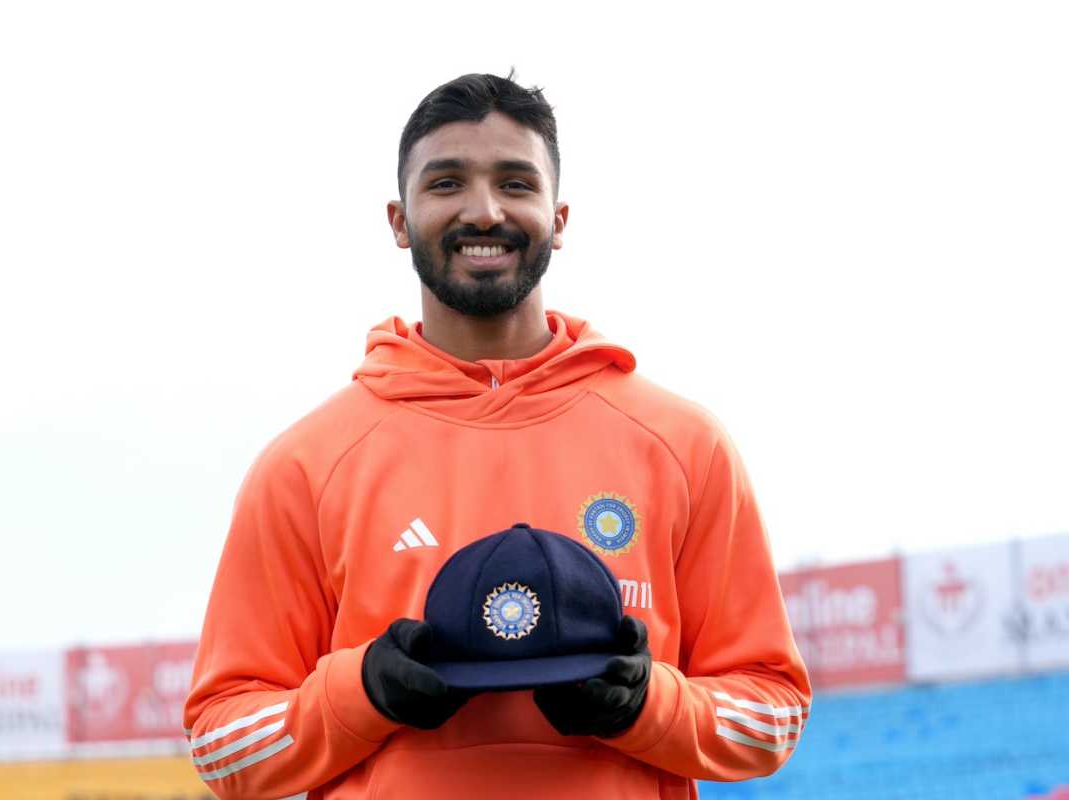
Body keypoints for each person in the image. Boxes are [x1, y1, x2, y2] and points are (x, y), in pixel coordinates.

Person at [183, 72, 811, 800]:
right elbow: (220, 743)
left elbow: (772, 714)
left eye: (515, 184)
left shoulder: (680, 443)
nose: (484, 212)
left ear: (560, 216)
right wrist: (359, 694)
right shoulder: (306, 465)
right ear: (397, 219)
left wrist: (647, 705)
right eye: (446, 184)